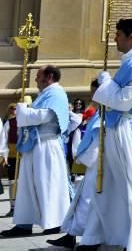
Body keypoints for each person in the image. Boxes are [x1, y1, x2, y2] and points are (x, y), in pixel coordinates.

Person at [81, 18, 132, 251]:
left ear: (131, 37)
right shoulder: (130, 62)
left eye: (119, 34)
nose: (115, 39)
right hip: (116, 128)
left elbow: (124, 101)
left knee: (130, 187)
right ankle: (93, 237)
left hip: (127, 130)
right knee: (108, 184)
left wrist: (106, 83)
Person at [0, 65, 71, 238]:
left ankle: (54, 222)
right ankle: (24, 223)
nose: (35, 80)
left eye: (38, 76)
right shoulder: (46, 94)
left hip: (47, 146)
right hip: (35, 145)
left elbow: (44, 116)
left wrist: (23, 110)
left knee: (47, 184)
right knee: (26, 186)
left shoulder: (56, 93)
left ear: (49, 76)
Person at [47, 79, 102, 249]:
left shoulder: (104, 114)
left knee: (87, 202)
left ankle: (89, 239)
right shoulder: (99, 112)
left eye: (94, 91)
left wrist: (84, 158)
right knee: (81, 201)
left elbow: (98, 141)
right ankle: (71, 235)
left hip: (98, 166)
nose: (92, 95)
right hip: (92, 166)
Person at [0, 100, 28, 217]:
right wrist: (4, 156)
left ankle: (25, 207)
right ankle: (13, 206)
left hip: (26, 154)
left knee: (25, 182)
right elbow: (3, 140)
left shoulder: (27, 122)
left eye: (16, 108)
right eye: (13, 109)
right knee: (12, 181)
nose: (15, 111)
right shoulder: (9, 123)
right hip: (12, 154)